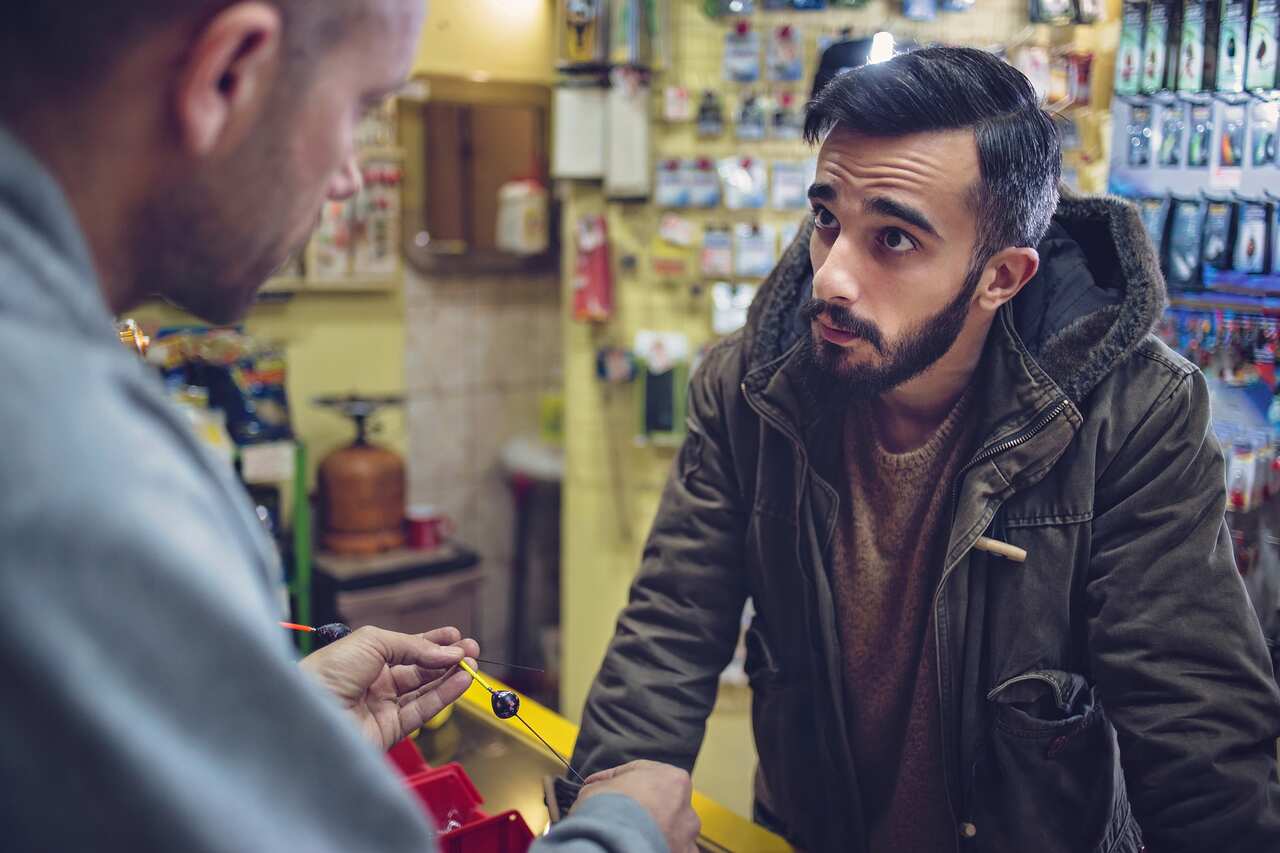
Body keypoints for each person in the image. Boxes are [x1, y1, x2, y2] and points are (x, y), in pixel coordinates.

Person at [0, 2, 698, 851]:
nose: (350, 181)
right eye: (361, 108)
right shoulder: (86, 474)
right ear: (229, 75)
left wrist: (272, 734)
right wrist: (623, 832)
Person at [571, 46, 1280, 853]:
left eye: (895, 239)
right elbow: (665, 636)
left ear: (1001, 276)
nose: (832, 276)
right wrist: (602, 822)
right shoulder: (749, 387)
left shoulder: (1135, 414)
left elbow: (1200, 745)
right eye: (827, 220)